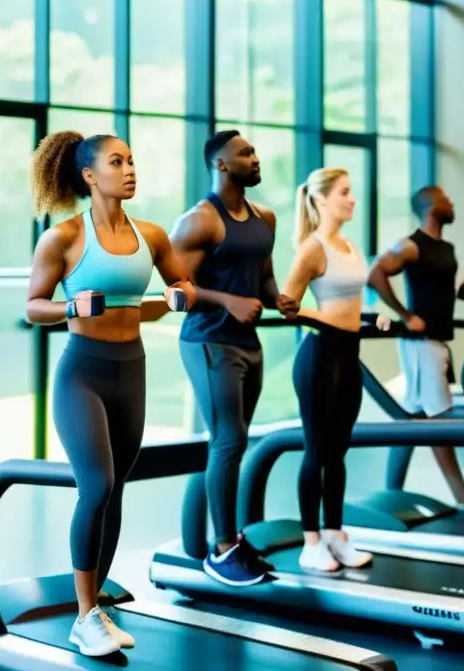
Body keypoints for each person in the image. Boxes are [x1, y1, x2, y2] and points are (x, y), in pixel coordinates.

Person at [26, 130, 196, 657]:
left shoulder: (152, 235)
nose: (129, 169)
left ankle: (96, 599)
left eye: (131, 160)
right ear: (89, 175)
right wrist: (72, 308)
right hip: (83, 373)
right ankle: (83, 617)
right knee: (96, 486)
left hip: (132, 370)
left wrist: (177, 296)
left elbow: (183, 287)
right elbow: (34, 307)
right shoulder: (64, 238)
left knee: (117, 487)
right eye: (116, 161)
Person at [169, 130, 299, 588]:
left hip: (247, 340)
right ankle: (221, 550)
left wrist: (277, 298)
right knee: (228, 439)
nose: (256, 158)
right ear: (221, 165)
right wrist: (227, 301)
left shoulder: (265, 217)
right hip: (208, 340)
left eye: (255, 151)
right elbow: (176, 291)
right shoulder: (199, 221)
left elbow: (263, 278)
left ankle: (231, 540)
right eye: (245, 153)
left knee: (233, 443)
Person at [281, 167, 389, 573]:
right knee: (317, 451)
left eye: (352, 191)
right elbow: (288, 305)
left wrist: (371, 318)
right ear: (322, 199)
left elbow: (351, 307)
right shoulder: (313, 247)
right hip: (319, 358)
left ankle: (334, 534)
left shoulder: (349, 245)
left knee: (339, 451)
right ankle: (311, 543)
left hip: (349, 354)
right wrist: (324, 315)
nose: (352, 199)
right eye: (345, 192)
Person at [368, 185, 464, 504]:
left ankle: (392, 489)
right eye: (447, 199)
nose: (452, 202)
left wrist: (463, 295)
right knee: (440, 420)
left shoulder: (445, 248)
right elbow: (375, 273)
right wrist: (405, 315)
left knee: (413, 419)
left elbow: (438, 290)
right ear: (431, 207)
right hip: (420, 343)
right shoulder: (411, 245)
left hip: (439, 340)